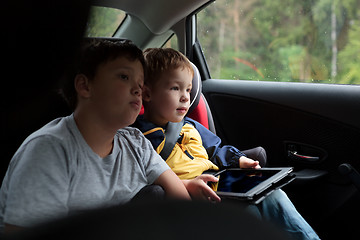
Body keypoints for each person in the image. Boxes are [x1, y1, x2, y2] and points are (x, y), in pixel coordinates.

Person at [0, 40, 191, 234]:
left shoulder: (136, 142)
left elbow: (182, 205)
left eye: (140, 84)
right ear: (85, 86)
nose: (137, 90)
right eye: (124, 77)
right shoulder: (49, 150)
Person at [133, 47, 320, 240]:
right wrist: (185, 186)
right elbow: (142, 181)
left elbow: (216, 150)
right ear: (147, 93)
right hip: (189, 197)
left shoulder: (190, 126)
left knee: (275, 195)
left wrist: (239, 161)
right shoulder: (138, 138)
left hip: (221, 184)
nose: (185, 97)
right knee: (249, 213)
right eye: (175, 88)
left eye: (188, 89)